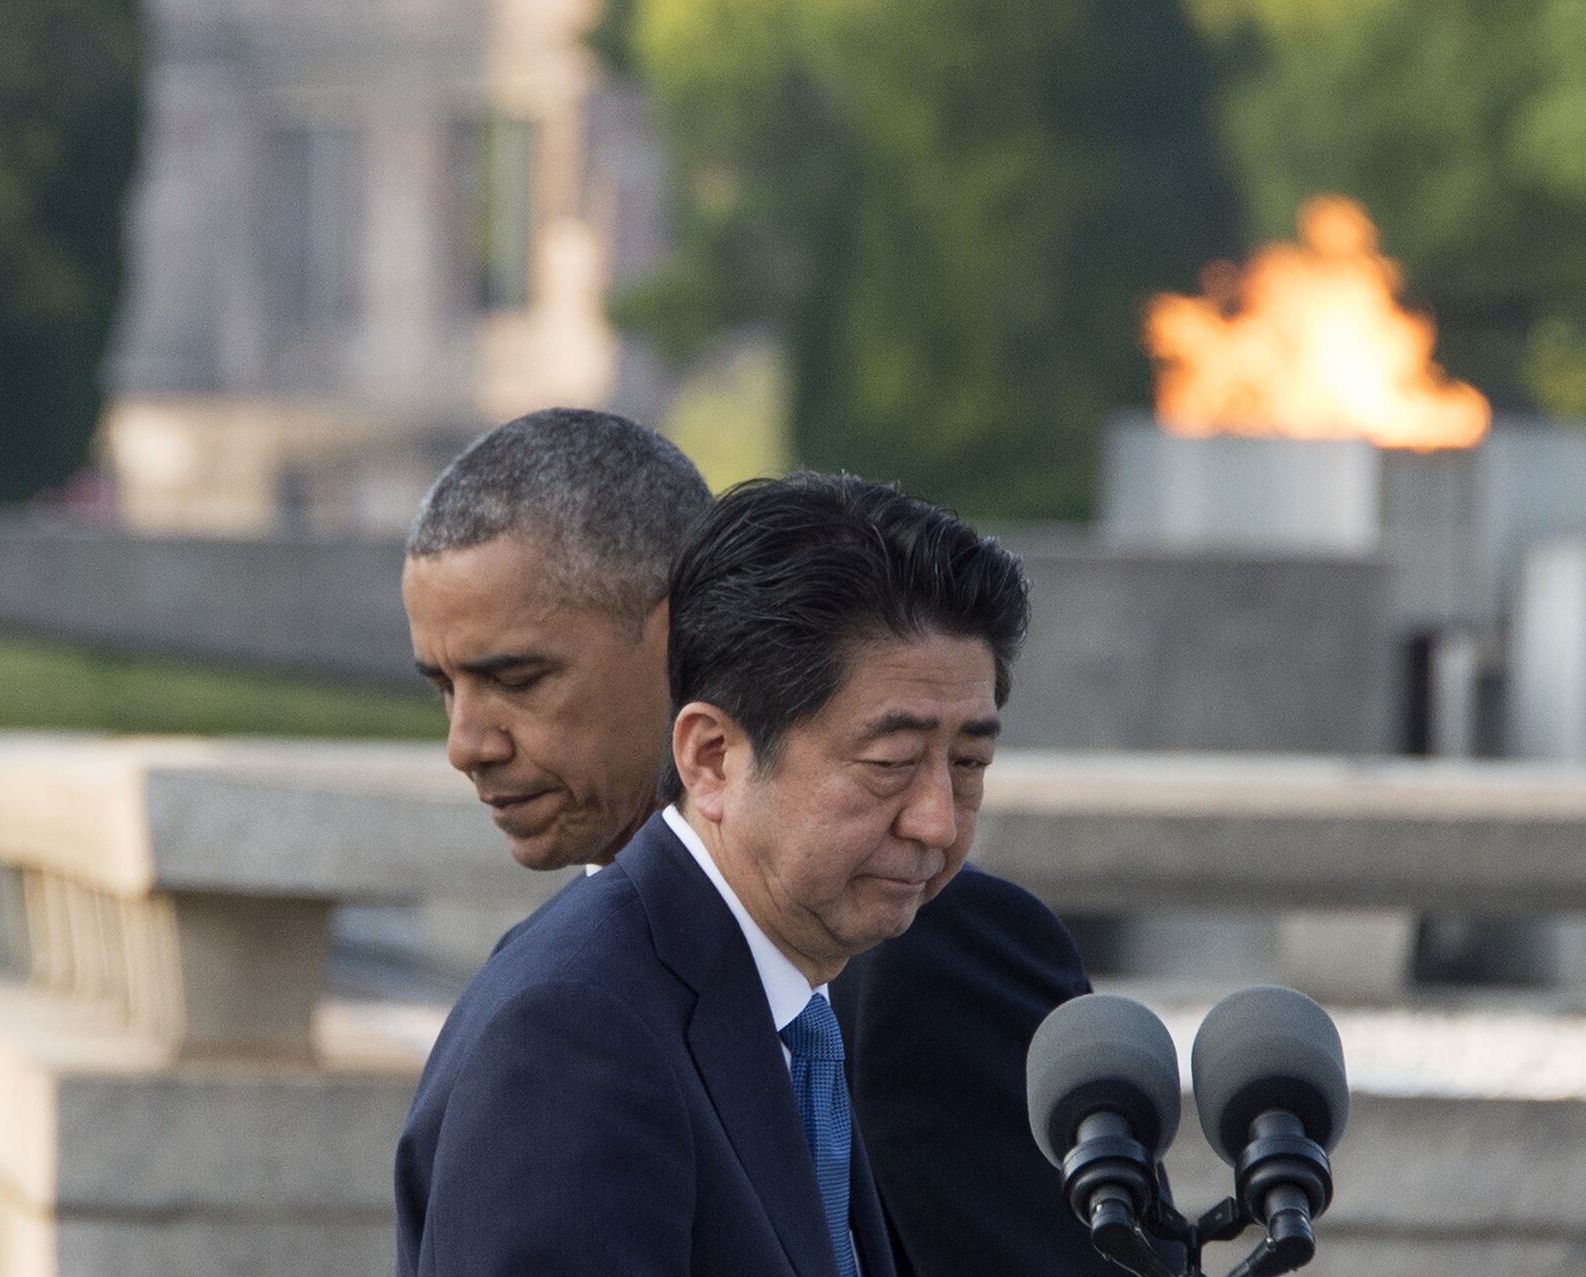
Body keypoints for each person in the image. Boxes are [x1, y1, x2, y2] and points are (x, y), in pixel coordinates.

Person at [395, 410, 1113, 1276]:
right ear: (710, 754)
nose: (937, 819)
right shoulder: (574, 1028)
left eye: (968, 761)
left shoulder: (810, 987)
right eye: (888, 763)